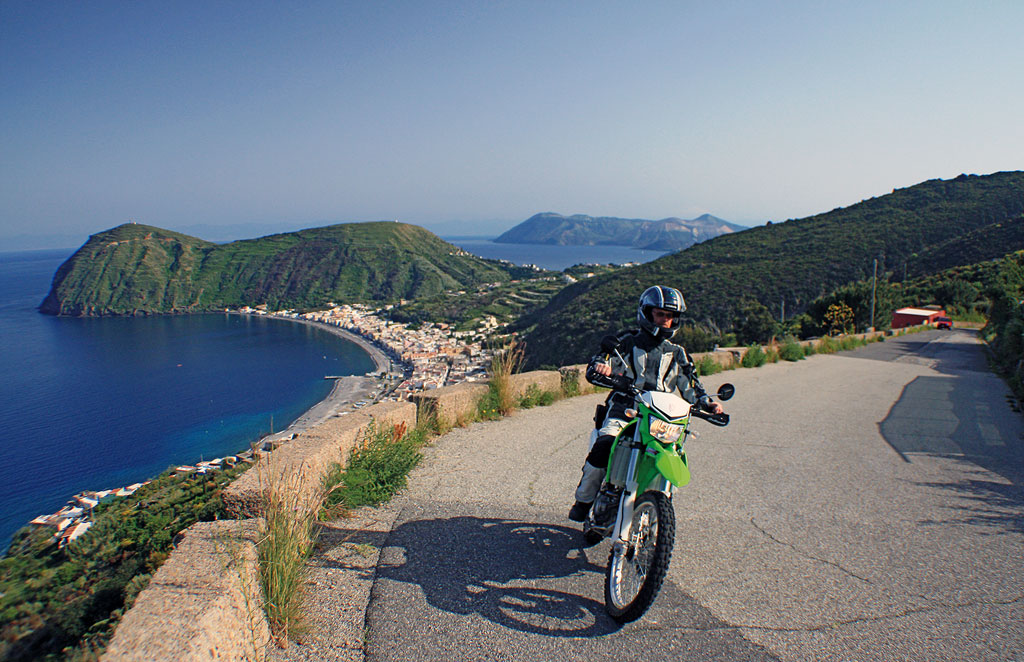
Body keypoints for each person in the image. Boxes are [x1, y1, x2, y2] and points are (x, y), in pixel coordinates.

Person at [568, 284, 724, 522]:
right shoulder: (627, 342)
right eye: (660, 314)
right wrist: (601, 366)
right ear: (647, 313)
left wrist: (709, 403)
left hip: (661, 417)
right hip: (625, 410)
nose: (665, 320)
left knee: (672, 452)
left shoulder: (678, 353)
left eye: (669, 316)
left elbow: (691, 385)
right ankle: (584, 500)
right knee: (605, 444)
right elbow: (601, 359)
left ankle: (658, 505)